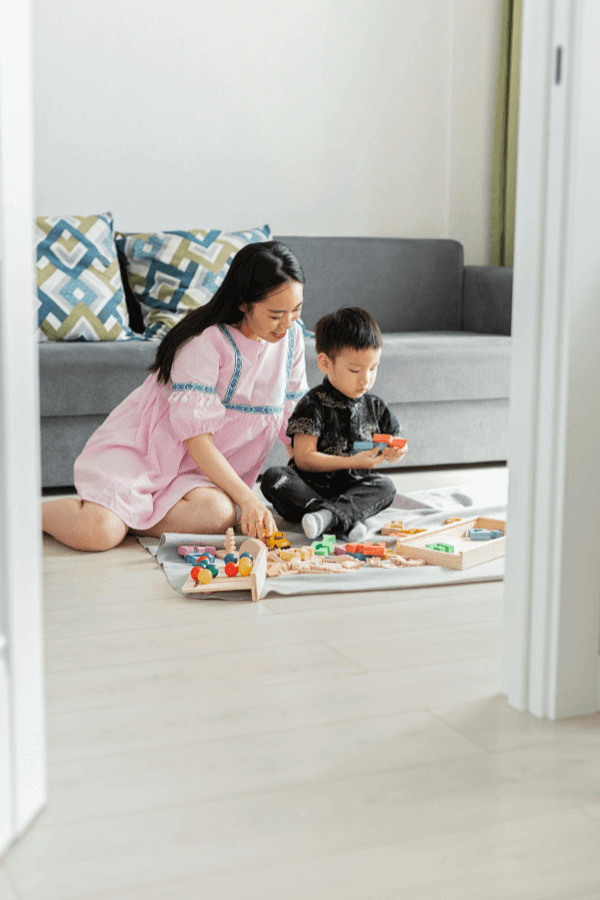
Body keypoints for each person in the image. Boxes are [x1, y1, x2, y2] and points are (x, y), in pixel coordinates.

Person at [42, 241, 308, 551]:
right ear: (242, 303)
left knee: (219, 513)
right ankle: (24, 512)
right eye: (276, 315)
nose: (287, 324)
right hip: (146, 454)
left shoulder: (292, 338)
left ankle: (127, 515)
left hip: (196, 475)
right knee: (98, 533)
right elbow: (196, 439)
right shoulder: (205, 342)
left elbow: (295, 422)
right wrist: (248, 499)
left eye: (296, 310)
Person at [261, 307, 407, 541]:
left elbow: (396, 443)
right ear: (325, 363)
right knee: (274, 478)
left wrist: (396, 451)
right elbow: (304, 459)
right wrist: (350, 461)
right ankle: (343, 519)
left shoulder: (376, 407)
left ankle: (326, 518)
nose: (366, 379)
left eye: (373, 368)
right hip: (309, 488)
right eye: (355, 370)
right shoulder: (311, 404)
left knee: (385, 486)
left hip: (352, 488)